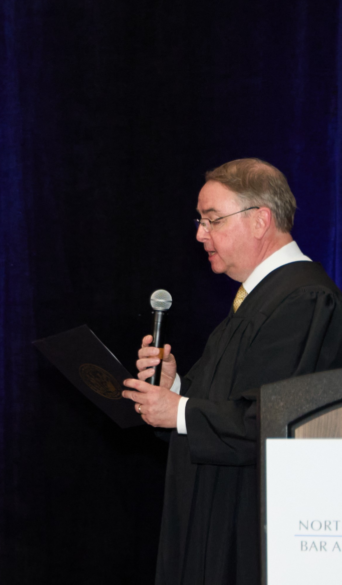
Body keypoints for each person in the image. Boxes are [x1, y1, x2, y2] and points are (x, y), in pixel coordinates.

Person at [122, 158, 342, 584]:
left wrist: (179, 411)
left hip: (253, 532)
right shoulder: (259, 299)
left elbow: (274, 422)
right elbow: (231, 400)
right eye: (200, 220)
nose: (200, 234)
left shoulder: (304, 301)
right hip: (218, 515)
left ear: (261, 220)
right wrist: (176, 388)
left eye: (213, 220)